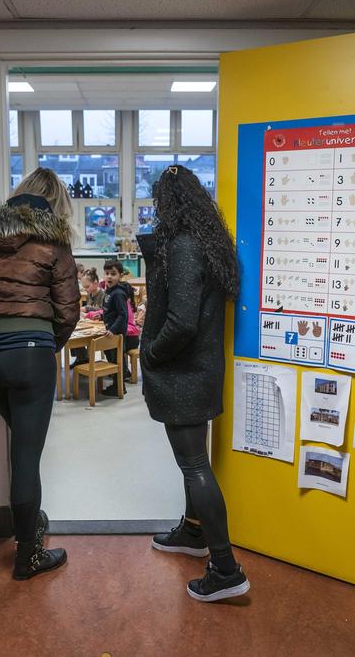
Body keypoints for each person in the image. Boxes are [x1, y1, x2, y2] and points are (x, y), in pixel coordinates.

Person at [0, 167, 80, 580]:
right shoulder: (53, 240)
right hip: (30, 353)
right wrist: (45, 345)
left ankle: (32, 522)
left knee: (21, 446)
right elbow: (68, 311)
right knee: (26, 456)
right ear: (55, 202)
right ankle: (27, 556)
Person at [138, 165, 250, 602]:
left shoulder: (184, 246)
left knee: (194, 466)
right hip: (199, 372)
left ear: (169, 203)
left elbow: (181, 322)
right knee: (195, 460)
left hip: (183, 374)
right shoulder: (205, 241)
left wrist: (151, 353)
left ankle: (225, 569)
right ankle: (192, 531)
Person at [101, 259, 129, 397]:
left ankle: (120, 387)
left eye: (113, 274)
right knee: (112, 359)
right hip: (110, 332)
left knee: (117, 361)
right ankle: (116, 384)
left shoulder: (118, 293)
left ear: (120, 276)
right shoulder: (109, 290)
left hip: (116, 334)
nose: (109, 276)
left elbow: (123, 315)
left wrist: (113, 329)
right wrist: (101, 317)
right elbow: (110, 311)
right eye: (107, 273)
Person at [70, 267, 106, 369]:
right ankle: (81, 358)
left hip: (100, 325)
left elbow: (101, 310)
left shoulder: (103, 294)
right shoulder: (90, 294)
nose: (86, 289)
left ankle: (83, 358)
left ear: (95, 283)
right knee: (73, 333)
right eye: (84, 287)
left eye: (87, 286)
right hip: (91, 323)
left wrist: (87, 308)